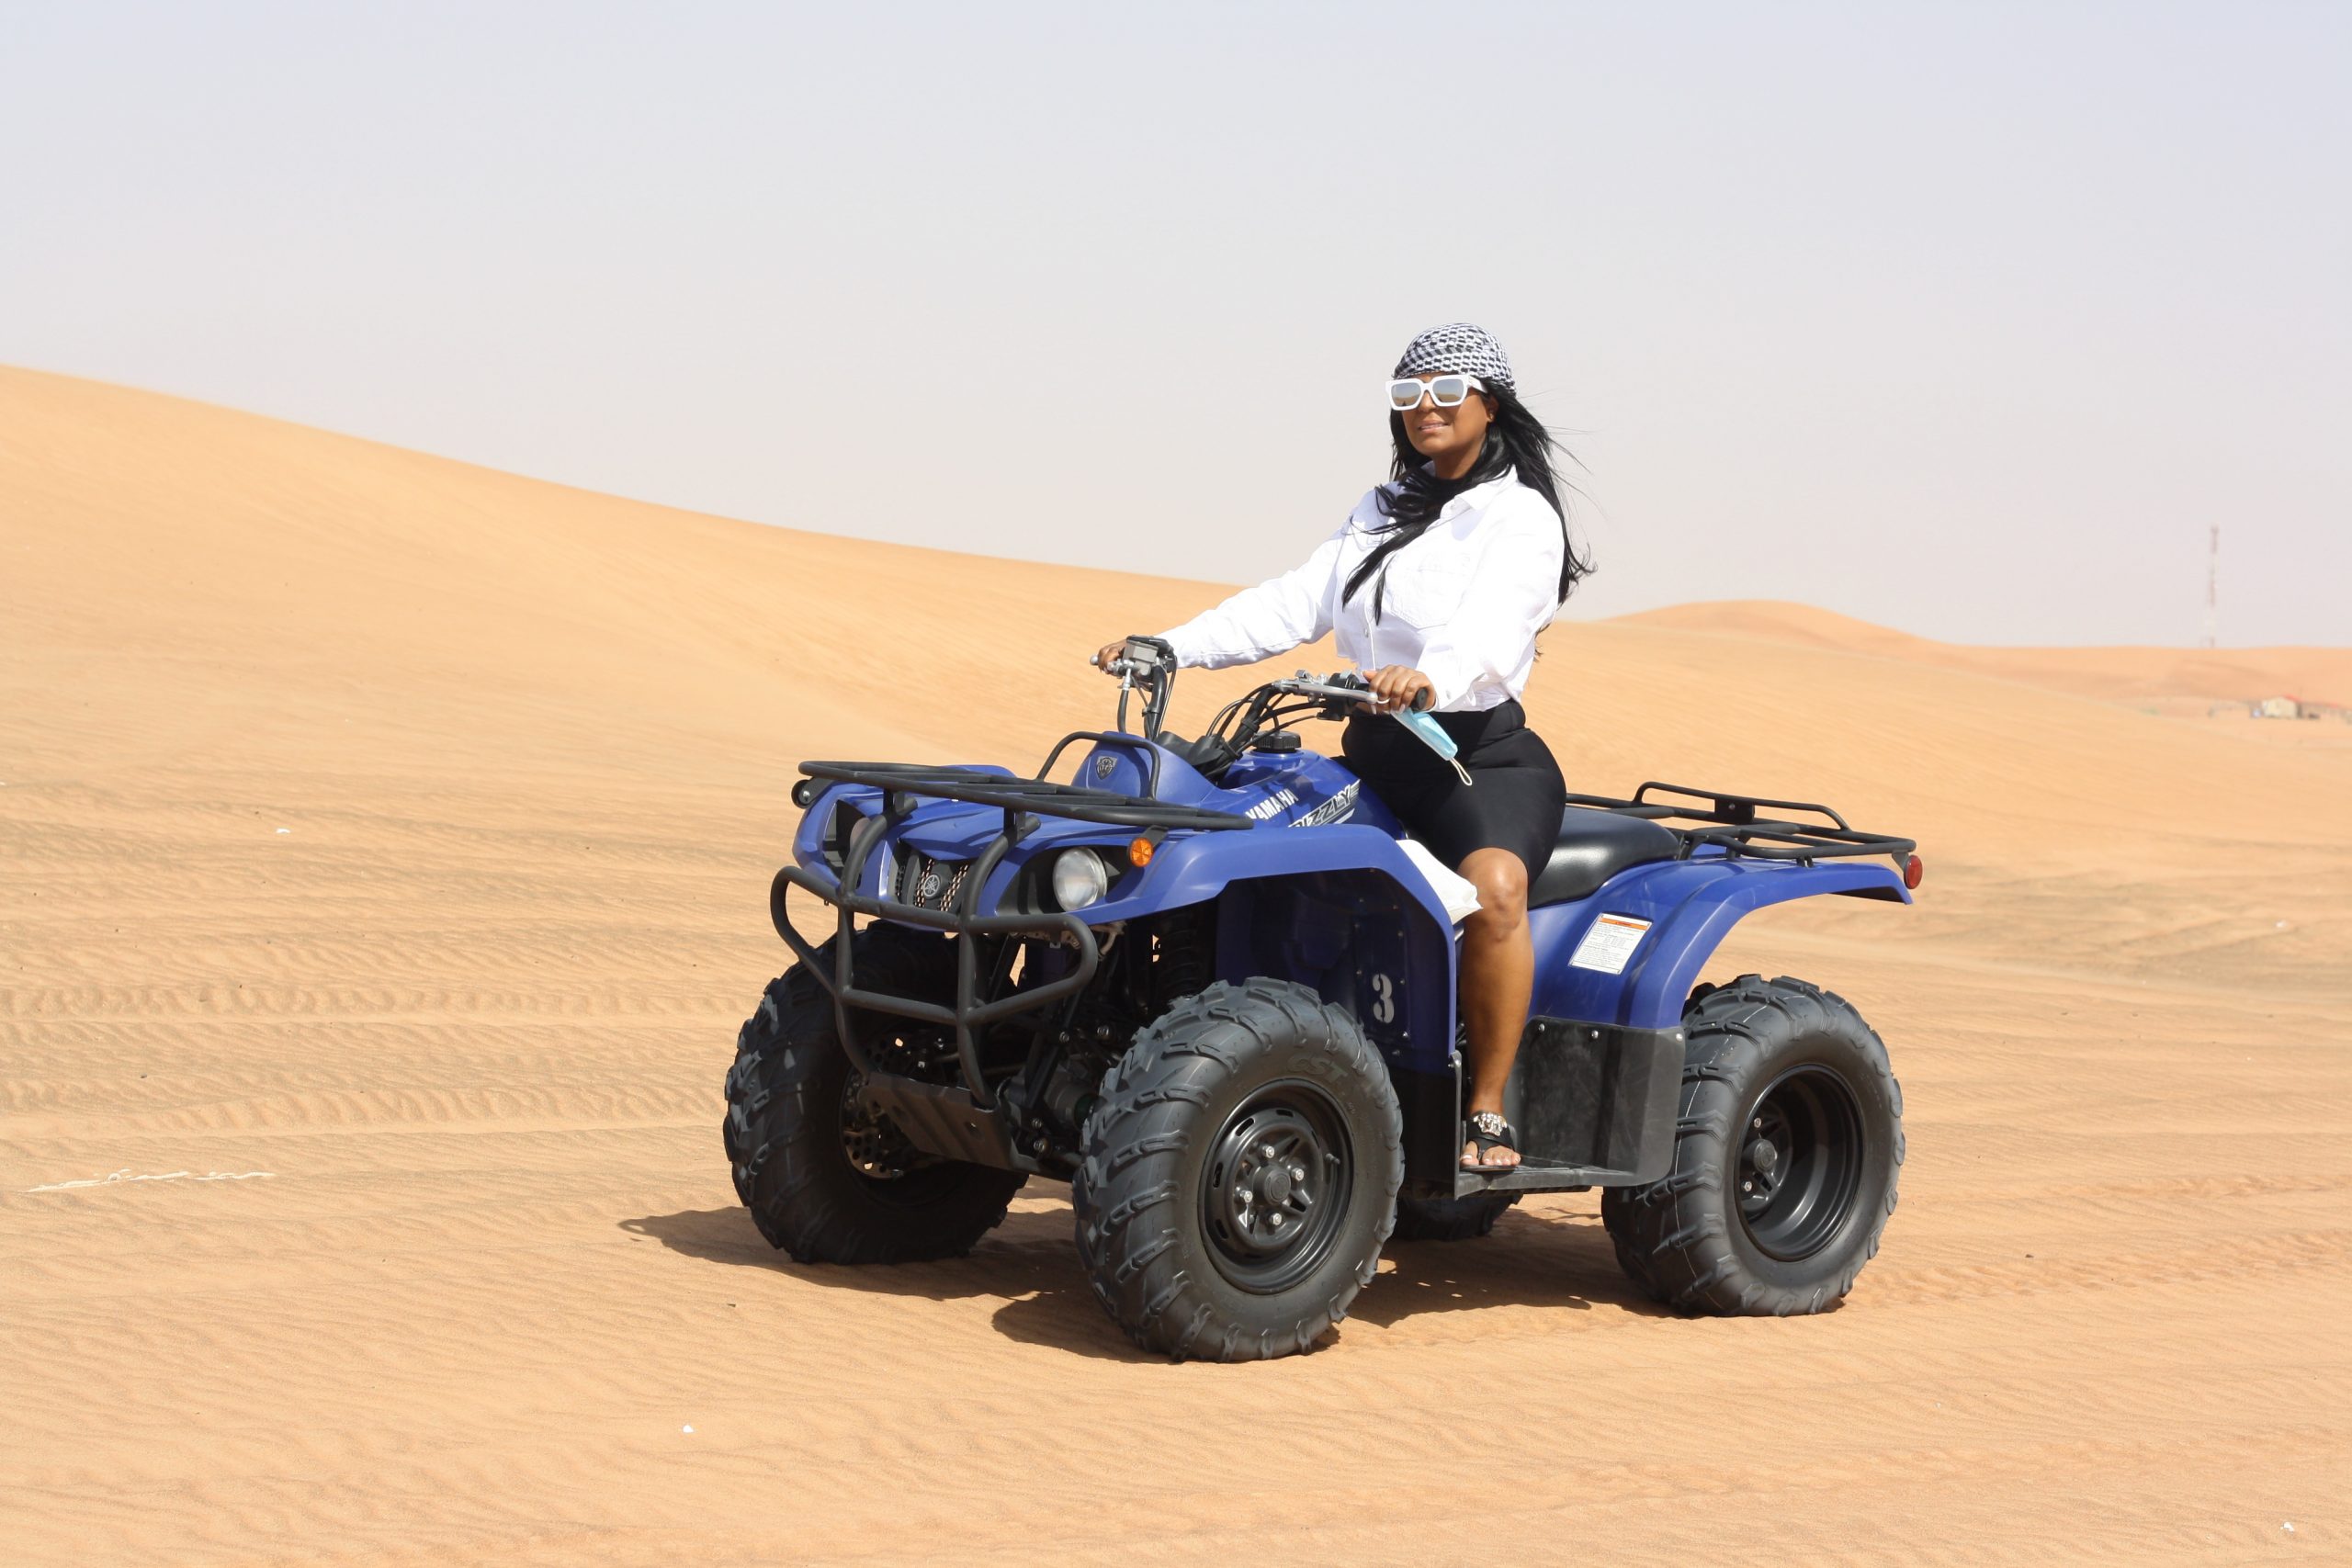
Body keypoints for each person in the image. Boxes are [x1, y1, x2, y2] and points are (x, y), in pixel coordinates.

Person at [1094, 321, 1590, 1169]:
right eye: (1407, 396)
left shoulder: (1520, 518)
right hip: (1371, 757)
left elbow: (1494, 630)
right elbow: (1293, 601)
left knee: (1497, 888)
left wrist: (1426, 675)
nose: (1424, 410)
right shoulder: (1382, 508)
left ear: (1488, 403)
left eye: (1443, 393)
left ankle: (1486, 1108)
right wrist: (1173, 644)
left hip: (1470, 759)